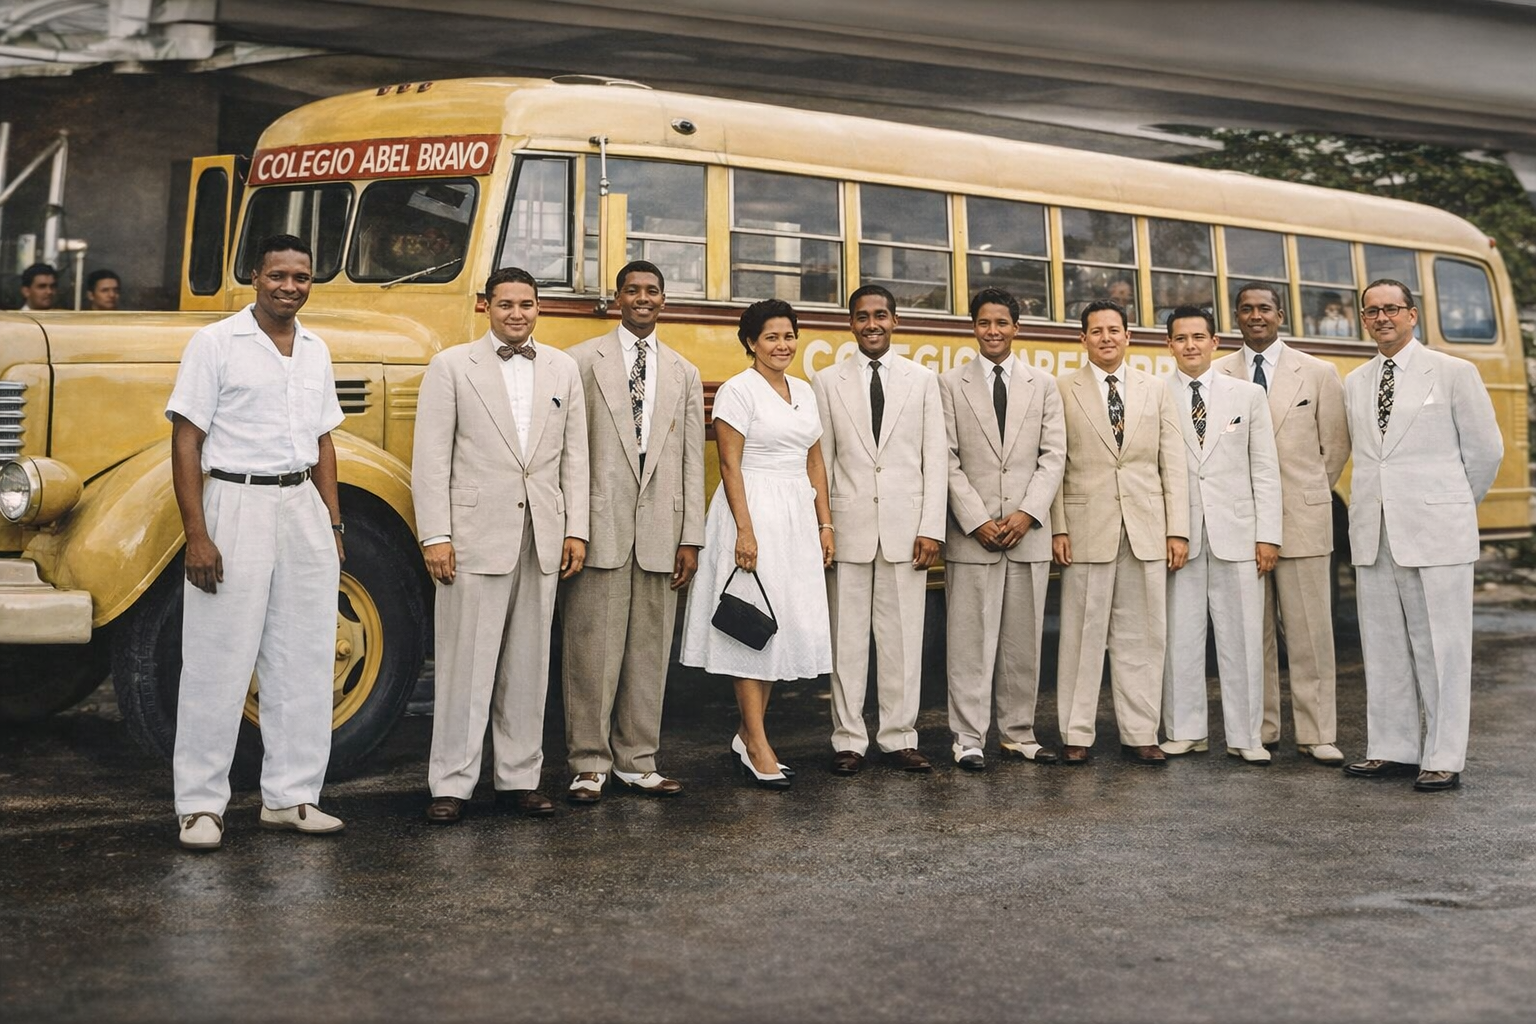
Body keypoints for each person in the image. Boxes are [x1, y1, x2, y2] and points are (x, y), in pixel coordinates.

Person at [163, 234, 347, 851]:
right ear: (254, 277)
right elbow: (186, 441)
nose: (289, 287)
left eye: (301, 277)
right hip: (233, 503)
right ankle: (199, 806)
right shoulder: (215, 343)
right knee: (218, 658)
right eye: (278, 276)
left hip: (302, 507)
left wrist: (334, 524)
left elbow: (324, 441)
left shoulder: (317, 349)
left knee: (304, 658)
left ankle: (291, 798)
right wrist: (198, 535)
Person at [413, 267, 589, 824]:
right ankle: (452, 783)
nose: (517, 313)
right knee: (465, 664)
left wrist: (575, 529)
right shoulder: (451, 367)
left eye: (527, 304)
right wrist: (436, 535)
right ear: (485, 306)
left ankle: (519, 779)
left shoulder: (562, 368)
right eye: (506, 304)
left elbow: (574, 458)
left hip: (541, 535)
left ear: (539, 309)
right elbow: (431, 458)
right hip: (472, 539)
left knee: (529, 666)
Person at [1342, 280, 1503, 792]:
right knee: (1385, 643)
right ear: (1363, 320)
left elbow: (1486, 452)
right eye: (1372, 311)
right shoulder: (1357, 380)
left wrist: (1450, 506)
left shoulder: (1455, 372)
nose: (1382, 318)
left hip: (1438, 531)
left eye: (1391, 309)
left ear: (1412, 315)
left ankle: (1443, 756)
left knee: (1442, 646)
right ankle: (1391, 748)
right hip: (1376, 531)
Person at [561, 260, 705, 805]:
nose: (642, 299)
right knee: (590, 650)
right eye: (632, 290)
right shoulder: (579, 362)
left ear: (664, 300)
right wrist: (574, 525)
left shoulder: (684, 372)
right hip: (600, 526)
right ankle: (588, 764)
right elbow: (569, 453)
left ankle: (638, 760)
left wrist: (690, 536)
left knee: (649, 652)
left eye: (652, 291)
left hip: (661, 533)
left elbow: (693, 459)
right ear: (617, 297)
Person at [680, 300, 835, 789]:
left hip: (796, 515)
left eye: (789, 335)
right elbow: (729, 466)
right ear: (750, 342)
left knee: (778, 625)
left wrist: (824, 524)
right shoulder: (736, 391)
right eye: (771, 337)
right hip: (752, 510)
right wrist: (745, 532)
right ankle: (757, 742)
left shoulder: (806, 392)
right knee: (752, 625)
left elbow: (815, 463)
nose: (782, 345)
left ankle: (748, 736)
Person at [812, 284, 947, 775]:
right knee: (846, 641)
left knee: (903, 641)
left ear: (896, 321)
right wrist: (823, 525)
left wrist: (931, 527)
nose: (872, 324)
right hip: (848, 530)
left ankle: (898, 737)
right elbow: (821, 464)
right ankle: (848, 739)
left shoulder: (922, 380)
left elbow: (935, 460)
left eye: (881, 315)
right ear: (850, 324)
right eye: (863, 316)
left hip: (905, 530)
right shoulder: (826, 381)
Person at [1213, 284, 1350, 764]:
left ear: (1280, 314)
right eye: (1246, 309)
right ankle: (1262, 729)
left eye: (1264, 309)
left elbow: (1333, 449)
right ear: (1236, 316)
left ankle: (1317, 734)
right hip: (1241, 523)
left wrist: (1305, 494)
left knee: (1310, 631)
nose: (1255, 316)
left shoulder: (1317, 373)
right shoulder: (1216, 374)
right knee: (1254, 632)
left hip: (1303, 519)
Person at [1051, 300, 1188, 765]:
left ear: (1128, 337)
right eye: (1096, 331)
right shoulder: (1062, 389)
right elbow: (1054, 463)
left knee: (1144, 635)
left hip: (1146, 527)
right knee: (1081, 635)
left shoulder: (1155, 389)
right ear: (1082, 339)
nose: (1106, 338)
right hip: (1087, 526)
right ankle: (1075, 732)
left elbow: (1173, 462)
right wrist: (1058, 527)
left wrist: (1178, 530)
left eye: (1114, 330)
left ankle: (1141, 732)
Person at [939, 288, 1065, 771]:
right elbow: (946, 457)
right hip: (974, 535)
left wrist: (1026, 514)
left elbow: (1053, 456)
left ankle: (1019, 733)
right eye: (984, 323)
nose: (993, 331)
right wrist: (976, 520)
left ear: (1017, 327)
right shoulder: (949, 383)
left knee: (1023, 640)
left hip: (1026, 532)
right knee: (969, 640)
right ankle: (967, 738)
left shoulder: (1043, 384)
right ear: (973, 327)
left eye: (1002, 323)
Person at [1158, 307, 1282, 765]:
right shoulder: (1155, 394)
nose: (1190, 345)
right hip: (1180, 535)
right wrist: (1169, 530)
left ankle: (1246, 736)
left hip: (1239, 533)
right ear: (1168, 345)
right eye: (1180, 338)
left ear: (1215, 343)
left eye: (1198, 337)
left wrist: (1267, 535)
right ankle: (1185, 731)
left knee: (1243, 638)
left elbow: (1265, 469)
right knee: (1181, 637)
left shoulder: (1246, 396)